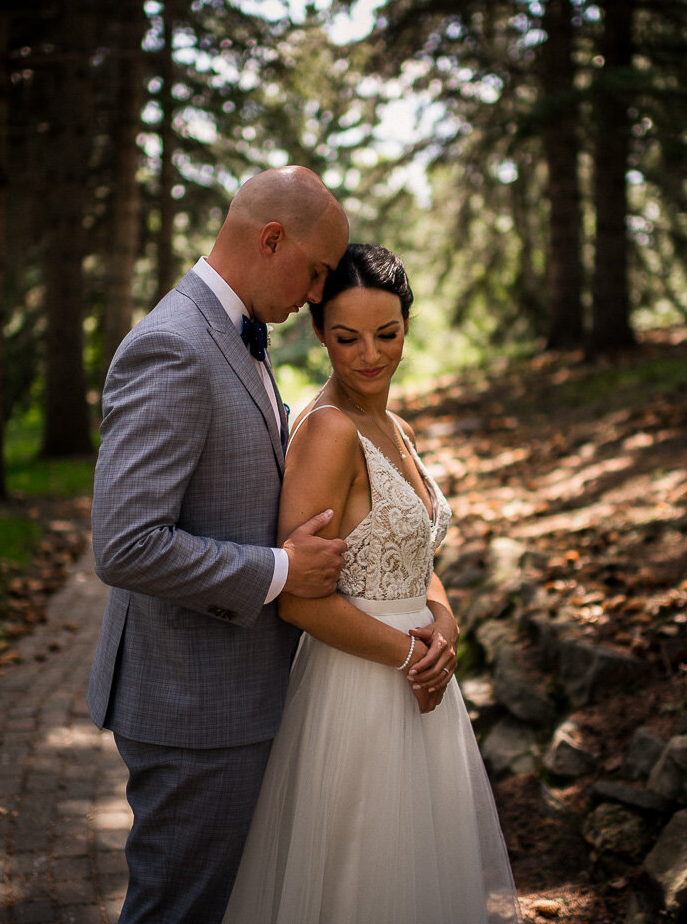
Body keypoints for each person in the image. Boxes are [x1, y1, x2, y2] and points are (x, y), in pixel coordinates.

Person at [86, 169, 456, 924]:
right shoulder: (173, 343)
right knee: (178, 910)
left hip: (244, 695)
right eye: (317, 272)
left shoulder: (236, 334)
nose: (317, 294)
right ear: (271, 239)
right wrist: (281, 569)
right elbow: (124, 543)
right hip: (192, 701)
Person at [222, 244, 520, 923]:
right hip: (359, 691)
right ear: (321, 334)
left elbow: (417, 559)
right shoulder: (327, 432)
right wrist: (412, 653)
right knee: (362, 880)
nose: (368, 355)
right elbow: (298, 598)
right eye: (346, 337)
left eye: (386, 335)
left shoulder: (397, 427)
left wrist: (443, 626)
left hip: (423, 681)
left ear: (407, 328)